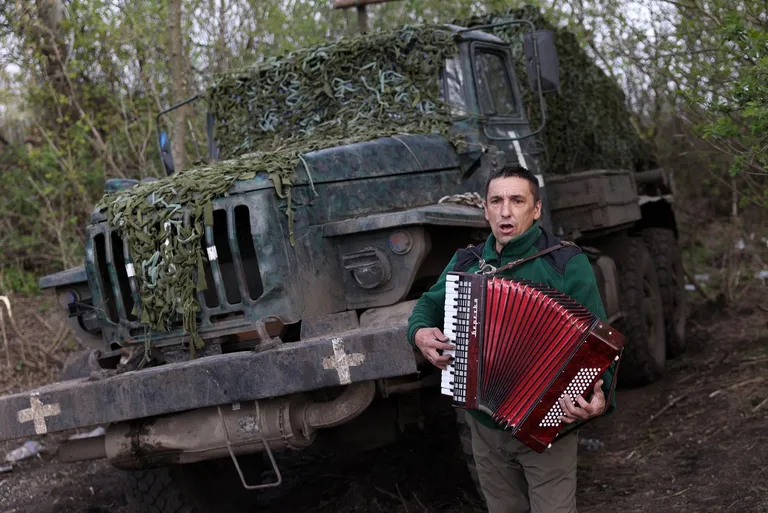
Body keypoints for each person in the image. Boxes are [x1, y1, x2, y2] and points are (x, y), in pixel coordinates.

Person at [407, 164, 617, 513]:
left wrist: (599, 398)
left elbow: (599, 343)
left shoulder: (566, 263)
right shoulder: (466, 263)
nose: (505, 211)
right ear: (486, 209)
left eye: (517, 201)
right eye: (496, 201)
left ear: (536, 210)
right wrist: (419, 333)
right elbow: (428, 306)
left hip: (549, 422)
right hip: (485, 422)